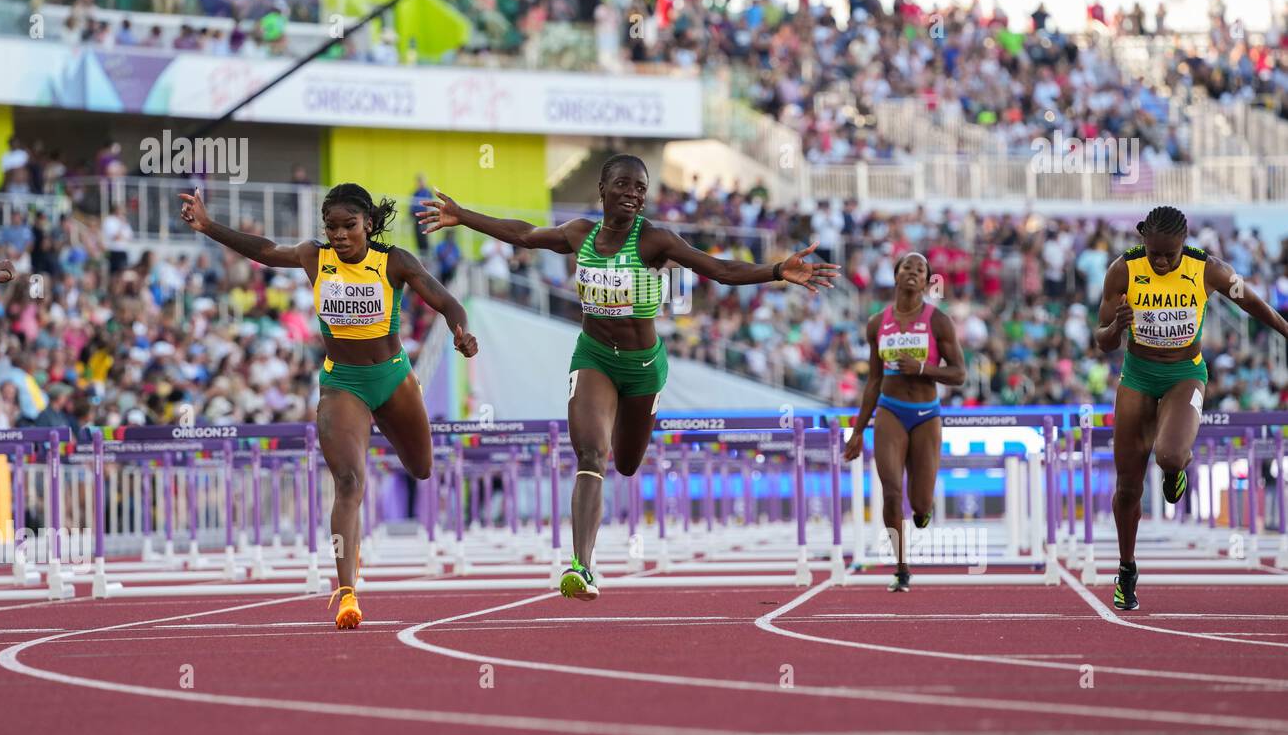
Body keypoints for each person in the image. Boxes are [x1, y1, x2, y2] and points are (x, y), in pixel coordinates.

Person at [418, 153, 839, 599]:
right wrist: (462, 216)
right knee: (590, 455)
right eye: (623, 184)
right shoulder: (580, 234)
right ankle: (582, 566)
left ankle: (630, 426)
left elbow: (719, 270)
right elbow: (524, 234)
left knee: (626, 461)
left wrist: (776, 270)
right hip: (594, 356)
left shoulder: (655, 240)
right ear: (602, 190)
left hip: (642, 368)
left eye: (640, 187)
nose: (633, 194)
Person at [180, 183, 478, 628]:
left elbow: (447, 302)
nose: (339, 235)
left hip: (394, 378)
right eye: (331, 227)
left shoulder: (393, 262)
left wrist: (460, 331)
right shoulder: (314, 258)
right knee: (349, 482)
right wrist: (208, 227)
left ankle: (382, 443)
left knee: (422, 468)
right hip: (343, 384)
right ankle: (346, 593)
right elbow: (263, 250)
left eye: (349, 226)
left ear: (369, 225)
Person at [1094, 206, 1288, 610]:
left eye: (1170, 254)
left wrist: (1285, 329)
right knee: (1128, 486)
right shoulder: (1123, 270)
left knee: (1169, 455)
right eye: (1155, 254)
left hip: (1186, 373)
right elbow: (1103, 341)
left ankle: (1174, 471)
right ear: (1143, 240)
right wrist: (1116, 328)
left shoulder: (1208, 269)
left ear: (1185, 242)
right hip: (1137, 375)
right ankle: (1126, 569)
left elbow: (1251, 302)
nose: (1162, 262)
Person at [842, 253, 966, 591]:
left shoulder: (938, 321)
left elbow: (959, 374)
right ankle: (900, 566)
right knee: (892, 492)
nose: (913, 272)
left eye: (920, 269)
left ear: (926, 282)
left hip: (926, 415)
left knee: (920, 502)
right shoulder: (876, 323)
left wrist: (923, 368)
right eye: (906, 268)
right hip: (889, 410)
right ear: (895, 276)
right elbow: (872, 381)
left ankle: (924, 510)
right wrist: (857, 432)